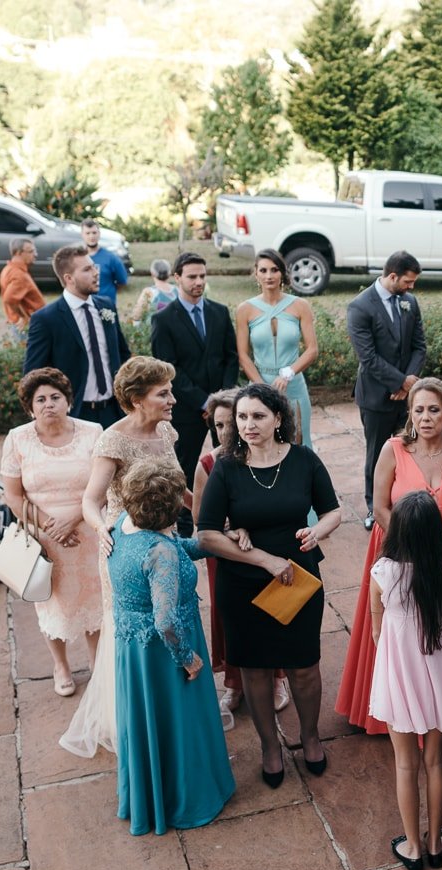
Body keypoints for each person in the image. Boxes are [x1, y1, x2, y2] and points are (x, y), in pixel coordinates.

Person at [197, 384, 343, 788]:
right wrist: (264, 559)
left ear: (278, 418)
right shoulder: (226, 466)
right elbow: (206, 534)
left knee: (304, 666)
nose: (248, 425)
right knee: (255, 669)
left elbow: (333, 510)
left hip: (298, 579)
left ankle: (310, 736)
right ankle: (269, 747)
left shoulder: (303, 460)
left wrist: (318, 532)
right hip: (242, 583)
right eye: (242, 417)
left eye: (258, 416)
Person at [60, 357, 189, 758]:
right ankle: (132, 718)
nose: (172, 399)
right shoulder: (113, 441)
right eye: (162, 393)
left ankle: (170, 709)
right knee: (140, 629)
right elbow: (90, 501)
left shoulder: (167, 431)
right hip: (127, 547)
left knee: (171, 614)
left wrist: (211, 517)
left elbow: (179, 489)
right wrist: (103, 531)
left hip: (167, 539)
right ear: (136, 399)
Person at [336, 378, 442, 734]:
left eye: (434, 410)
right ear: (409, 414)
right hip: (401, 549)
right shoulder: (393, 449)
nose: (426, 417)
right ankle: (391, 712)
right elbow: (380, 506)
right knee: (395, 626)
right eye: (418, 410)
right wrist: (417, 544)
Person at [108, 459, 235, 836]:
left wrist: (216, 543)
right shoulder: (159, 553)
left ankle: (151, 796)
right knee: (182, 724)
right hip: (167, 651)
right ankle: (188, 798)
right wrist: (189, 658)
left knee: (148, 723)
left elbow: (177, 548)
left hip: (135, 650)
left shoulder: (122, 526)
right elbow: (164, 619)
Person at [370, 491, 442, 870]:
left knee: (406, 764)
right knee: (435, 760)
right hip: (439, 673)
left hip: (400, 674)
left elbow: (376, 632)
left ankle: (413, 848)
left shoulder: (382, 573)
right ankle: (436, 842)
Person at [0, 367, 103, 697]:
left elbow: (106, 484)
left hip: (88, 529)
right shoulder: (18, 438)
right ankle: (60, 665)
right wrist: (49, 525)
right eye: (40, 399)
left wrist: (74, 518)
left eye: (55, 397)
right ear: (30, 407)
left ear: (68, 401)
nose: (48, 404)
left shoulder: (93, 432)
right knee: (51, 602)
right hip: (45, 539)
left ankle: (96, 661)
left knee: (95, 600)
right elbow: (14, 496)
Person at [194, 391, 290, 722]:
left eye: (229, 422)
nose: (224, 431)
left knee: (274, 608)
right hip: (222, 550)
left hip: (263, 546)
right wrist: (229, 528)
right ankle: (234, 682)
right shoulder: (209, 462)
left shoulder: (268, 457)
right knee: (229, 617)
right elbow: (199, 519)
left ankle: (278, 677)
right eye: (219, 424)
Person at [149, 251, 238, 533]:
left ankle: (230, 517)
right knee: (184, 470)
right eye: (192, 277)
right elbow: (169, 369)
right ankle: (187, 528)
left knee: (230, 460)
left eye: (202, 276)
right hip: (187, 410)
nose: (198, 281)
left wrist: (221, 399)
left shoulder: (219, 312)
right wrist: (203, 402)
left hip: (223, 408)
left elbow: (231, 356)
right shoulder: (163, 320)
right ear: (177, 278)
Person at [348, 251, 427, 529]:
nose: (411, 287)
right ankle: (374, 507)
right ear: (392, 276)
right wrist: (400, 383)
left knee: (410, 448)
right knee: (377, 453)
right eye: (408, 281)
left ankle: (407, 502)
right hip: (375, 396)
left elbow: (420, 345)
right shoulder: (360, 307)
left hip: (407, 395)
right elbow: (367, 357)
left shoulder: (410, 301)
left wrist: (410, 382)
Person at [24, 243, 131, 429]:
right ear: (69, 278)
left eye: (95, 267)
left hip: (114, 411)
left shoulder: (106, 305)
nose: (96, 273)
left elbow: (122, 354)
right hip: (76, 413)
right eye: (88, 269)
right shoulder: (47, 319)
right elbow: (34, 374)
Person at [237, 249, 320, 450]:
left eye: (274, 270)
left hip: (293, 386)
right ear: (255, 273)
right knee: (261, 443)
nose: (269, 276)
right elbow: (243, 355)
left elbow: (312, 349)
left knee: (298, 442)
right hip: (259, 385)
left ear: (282, 273)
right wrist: (260, 387)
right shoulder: (245, 309)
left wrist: (288, 373)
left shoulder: (300, 306)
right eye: (263, 270)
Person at [0, 237, 45, 338]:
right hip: (27, 326)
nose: (35, 254)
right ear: (19, 253)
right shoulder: (19, 274)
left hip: (17, 323)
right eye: (31, 251)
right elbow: (9, 299)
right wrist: (23, 317)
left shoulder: (8, 269)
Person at [81, 219, 129, 304]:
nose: (91, 236)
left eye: (94, 232)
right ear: (82, 235)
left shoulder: (111, 258)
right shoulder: (78, 258)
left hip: (106, 305)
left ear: (99, 234)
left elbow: (122, 282)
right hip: (85, 305)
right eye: (88, 233)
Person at [129, 258, 177, 327]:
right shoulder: (178, 291)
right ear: (169, 273)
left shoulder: (149, 292)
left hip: (155, 331)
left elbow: (137, 314)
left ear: (152, 273)